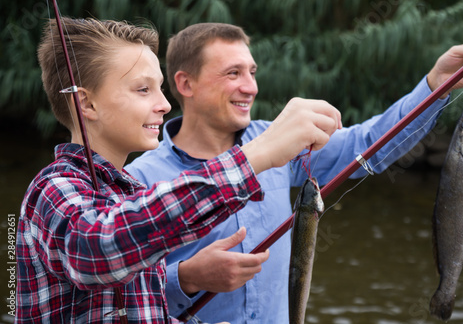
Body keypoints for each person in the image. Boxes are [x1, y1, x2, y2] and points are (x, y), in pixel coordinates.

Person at [125, 22, 463, 323]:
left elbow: (370, 144)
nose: (250, 86)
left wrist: (437, 83)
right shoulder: (139, 178)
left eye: (252, 72)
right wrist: (185, 278)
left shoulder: (281, 142)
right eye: (232, 73)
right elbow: (115, 298)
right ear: (185, 84)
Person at [16, 18, 342, 324]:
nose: (165, 104)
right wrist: (258, 154)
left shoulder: (128, 191)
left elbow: (126, 309)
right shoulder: (54, 189)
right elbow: (98, 249)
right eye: (143, 90)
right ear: (86, 104)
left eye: (160, 88)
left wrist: (185, 279)